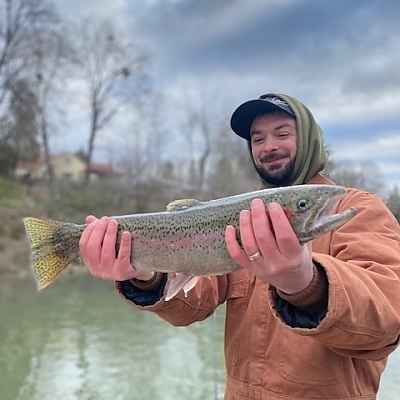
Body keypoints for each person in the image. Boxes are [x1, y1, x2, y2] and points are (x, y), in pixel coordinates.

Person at [79, 93, 400, 399]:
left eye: (282, 133)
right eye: (258, 139)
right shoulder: (239, 215)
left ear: (310, 139)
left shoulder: (357, 209)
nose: (268, 146)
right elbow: (194, 302)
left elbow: (387, 322)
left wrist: (305, 284)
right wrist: (146, 274)